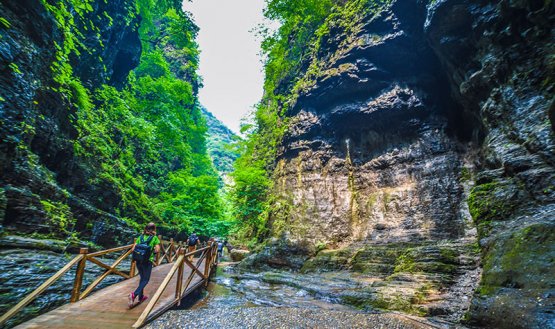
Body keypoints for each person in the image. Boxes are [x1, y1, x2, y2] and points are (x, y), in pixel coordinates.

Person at [128, 222, 160, 308]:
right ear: (154, 230)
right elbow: (157, 250)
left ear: (145, 228)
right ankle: (134, 294)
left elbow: (133, 249)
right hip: (147, 261)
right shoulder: (155, 238)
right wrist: (151, 251)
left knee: (142, 278)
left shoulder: (140, 237)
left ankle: (141, 297)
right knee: (146, 280)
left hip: (138, 261)